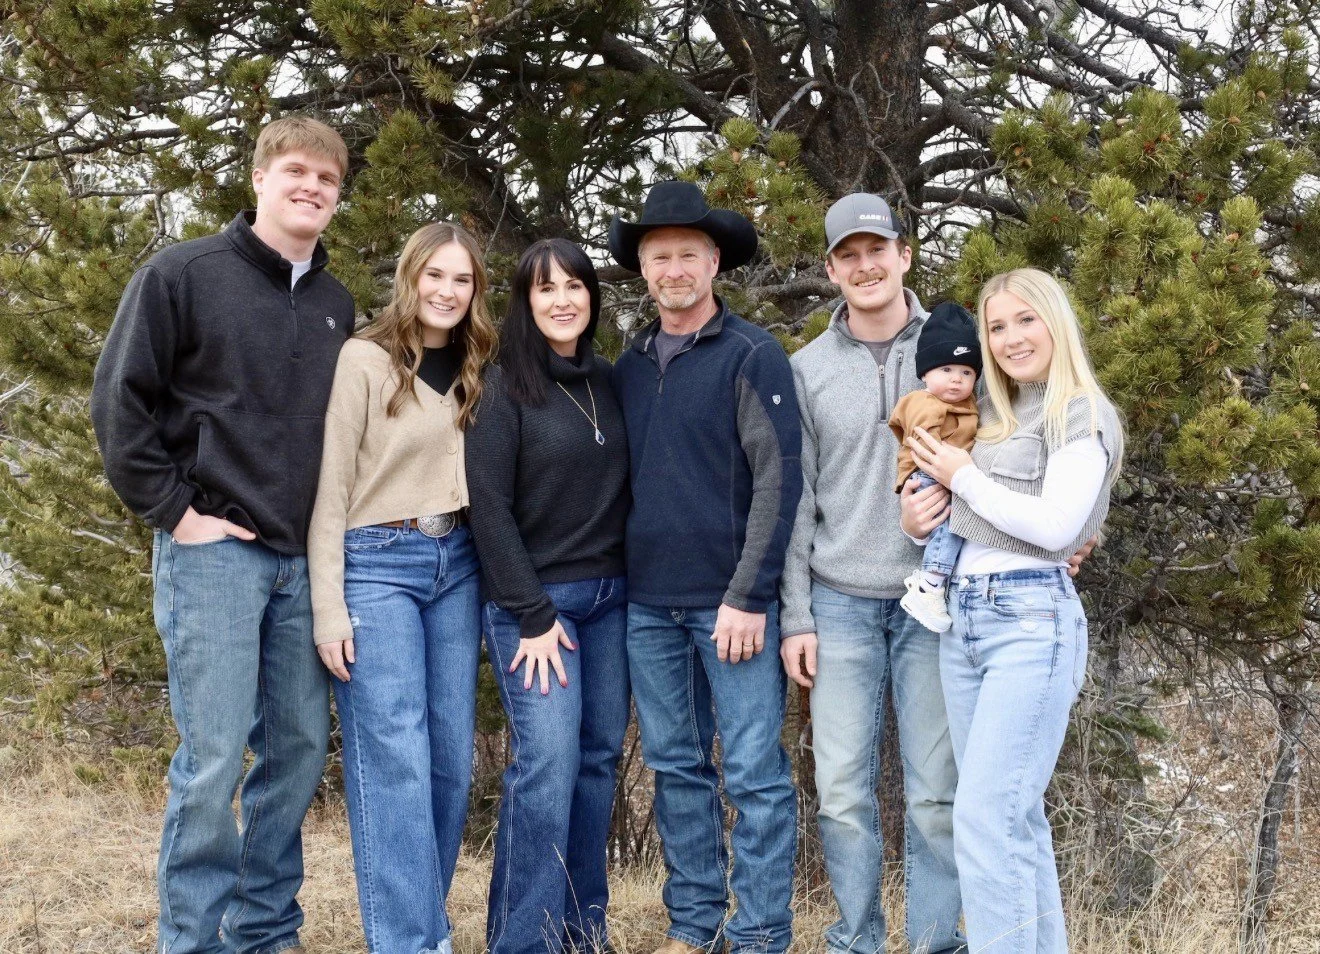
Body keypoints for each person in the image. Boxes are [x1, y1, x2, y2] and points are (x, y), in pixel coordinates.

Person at [91, 116, 353, 954]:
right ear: (260, 179)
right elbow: (119, 403)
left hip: (301, 564)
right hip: (217, 558)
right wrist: (175, 512)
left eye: (328, 179)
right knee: (211, 765)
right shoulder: (183, 274)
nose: (312, 187)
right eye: (296, 171)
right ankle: (193, 942)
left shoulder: (336, 305)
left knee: (298, 756)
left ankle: (265, 934)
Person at [901, 267, 1124, 954]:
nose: (1011, 338)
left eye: (1025, 320)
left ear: (1056, 321)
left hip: (1030, 623)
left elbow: (1058, 527)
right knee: (1014, 822)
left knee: (986, 819)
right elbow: (957, 513)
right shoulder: (996, 414)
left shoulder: (1081, 412)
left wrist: (959, 476)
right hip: (962, 621)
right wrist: (916, 522)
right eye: (996, 326)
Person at [610, 180, 803, 954]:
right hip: (648, 606)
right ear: (645, 270)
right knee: (676, 770)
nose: (674, 269)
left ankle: (758, 934)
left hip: (734, 606)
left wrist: (750, 595)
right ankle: (695, 926)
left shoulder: (753, 355)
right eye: (660, 257)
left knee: (754, 773)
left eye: (688, 253)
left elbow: (779, 482)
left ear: (714, 260)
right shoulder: (626, 365)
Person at [778, 192, 966, 954]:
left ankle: (933, 945)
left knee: (935, 799)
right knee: (843, 796)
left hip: (936, 606)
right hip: (840, 605)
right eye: (848, 255)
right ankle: (854, 940)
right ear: (831, 270)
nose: (865, 266)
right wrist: (796, 614)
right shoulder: (805, 369)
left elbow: (1024, 443)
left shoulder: (957, 349)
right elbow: (793, 502)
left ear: (905, 255)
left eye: (877, 250)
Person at [306, 222, 497, 954]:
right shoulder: (363, 359)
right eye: (435, 275)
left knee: (450, 758)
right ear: (410, 277)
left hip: (458, 564)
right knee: (395, 757)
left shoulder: (483, 360)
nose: (447, 291)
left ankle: (423, 924)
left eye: (462, 279)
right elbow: (331, 488)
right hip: (375, 562)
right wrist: (330, 607)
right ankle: (412, 944)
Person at [465, 238, 631, 954]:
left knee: (597, 765)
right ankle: (521, 940)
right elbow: (488, 507)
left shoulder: (608, 379)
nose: (563, 299)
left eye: (575, 285)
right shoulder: (503, 386)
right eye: (545, 289)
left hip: (612, 601)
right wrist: (531, 614)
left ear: (592, 296)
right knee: (548, 766)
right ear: (525, 303)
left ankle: (579, 932)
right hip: (538, 612)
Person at [889, 301, 982, 633]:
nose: (956, 380)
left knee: (957, 521)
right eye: (946, 370)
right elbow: (925, 445)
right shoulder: (925, 403)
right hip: (930, 471)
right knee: (951, 522)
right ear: (925, 372)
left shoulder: (967, 404)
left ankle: (936, 577)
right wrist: (954, 475)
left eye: (966, 372)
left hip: (953, 472)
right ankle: (931, 581)